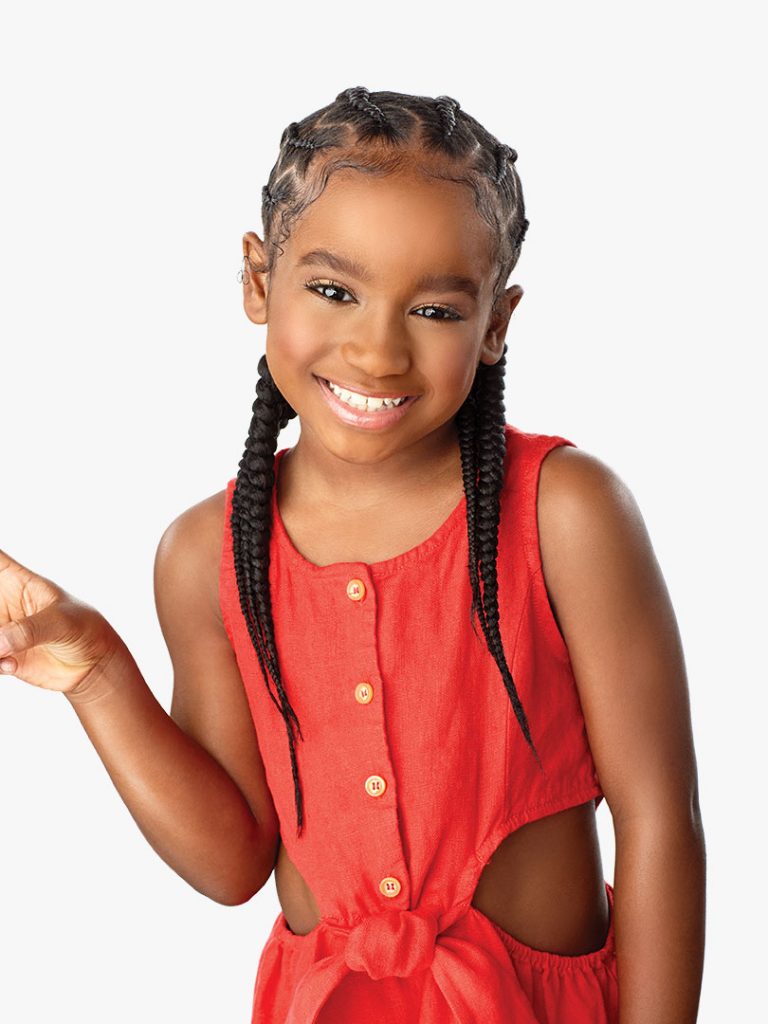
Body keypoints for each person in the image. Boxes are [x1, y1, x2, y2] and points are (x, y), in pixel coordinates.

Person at [0, 86, 705, 1023]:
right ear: (259, 281)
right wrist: (96, 674)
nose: (377, 352)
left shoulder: (565, 513)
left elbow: (659, 819)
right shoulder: (207, 552)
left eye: (437, 310)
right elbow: (232, 862)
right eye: (334, 291)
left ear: (496, 324)